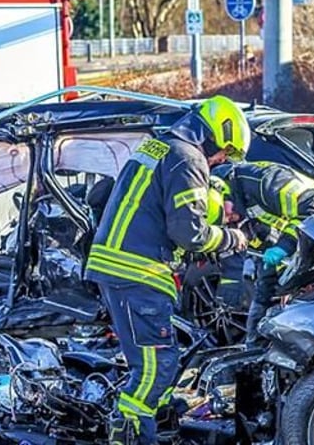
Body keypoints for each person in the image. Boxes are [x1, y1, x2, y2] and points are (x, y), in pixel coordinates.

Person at [85, 96, 251, 445]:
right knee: (154, 367)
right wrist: (232, 238)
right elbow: (189, 233)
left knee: (161, 362)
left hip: (120, 266)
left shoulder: (160, 147)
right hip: (138, 272)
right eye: (225, 152)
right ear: (216, 134)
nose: (221, 160)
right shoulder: (188, 158)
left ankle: (156, 420)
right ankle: (129, 431)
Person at [211, 161, 314, 346]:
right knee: (265, 296)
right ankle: (254, 353)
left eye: (227, 215)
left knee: (311, 303)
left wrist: (284, 247)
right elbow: (252, 238)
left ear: (224, 194)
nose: (229, 219)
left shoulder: (264, 180)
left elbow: (312, 208)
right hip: (283, 239)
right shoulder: (231, 201)